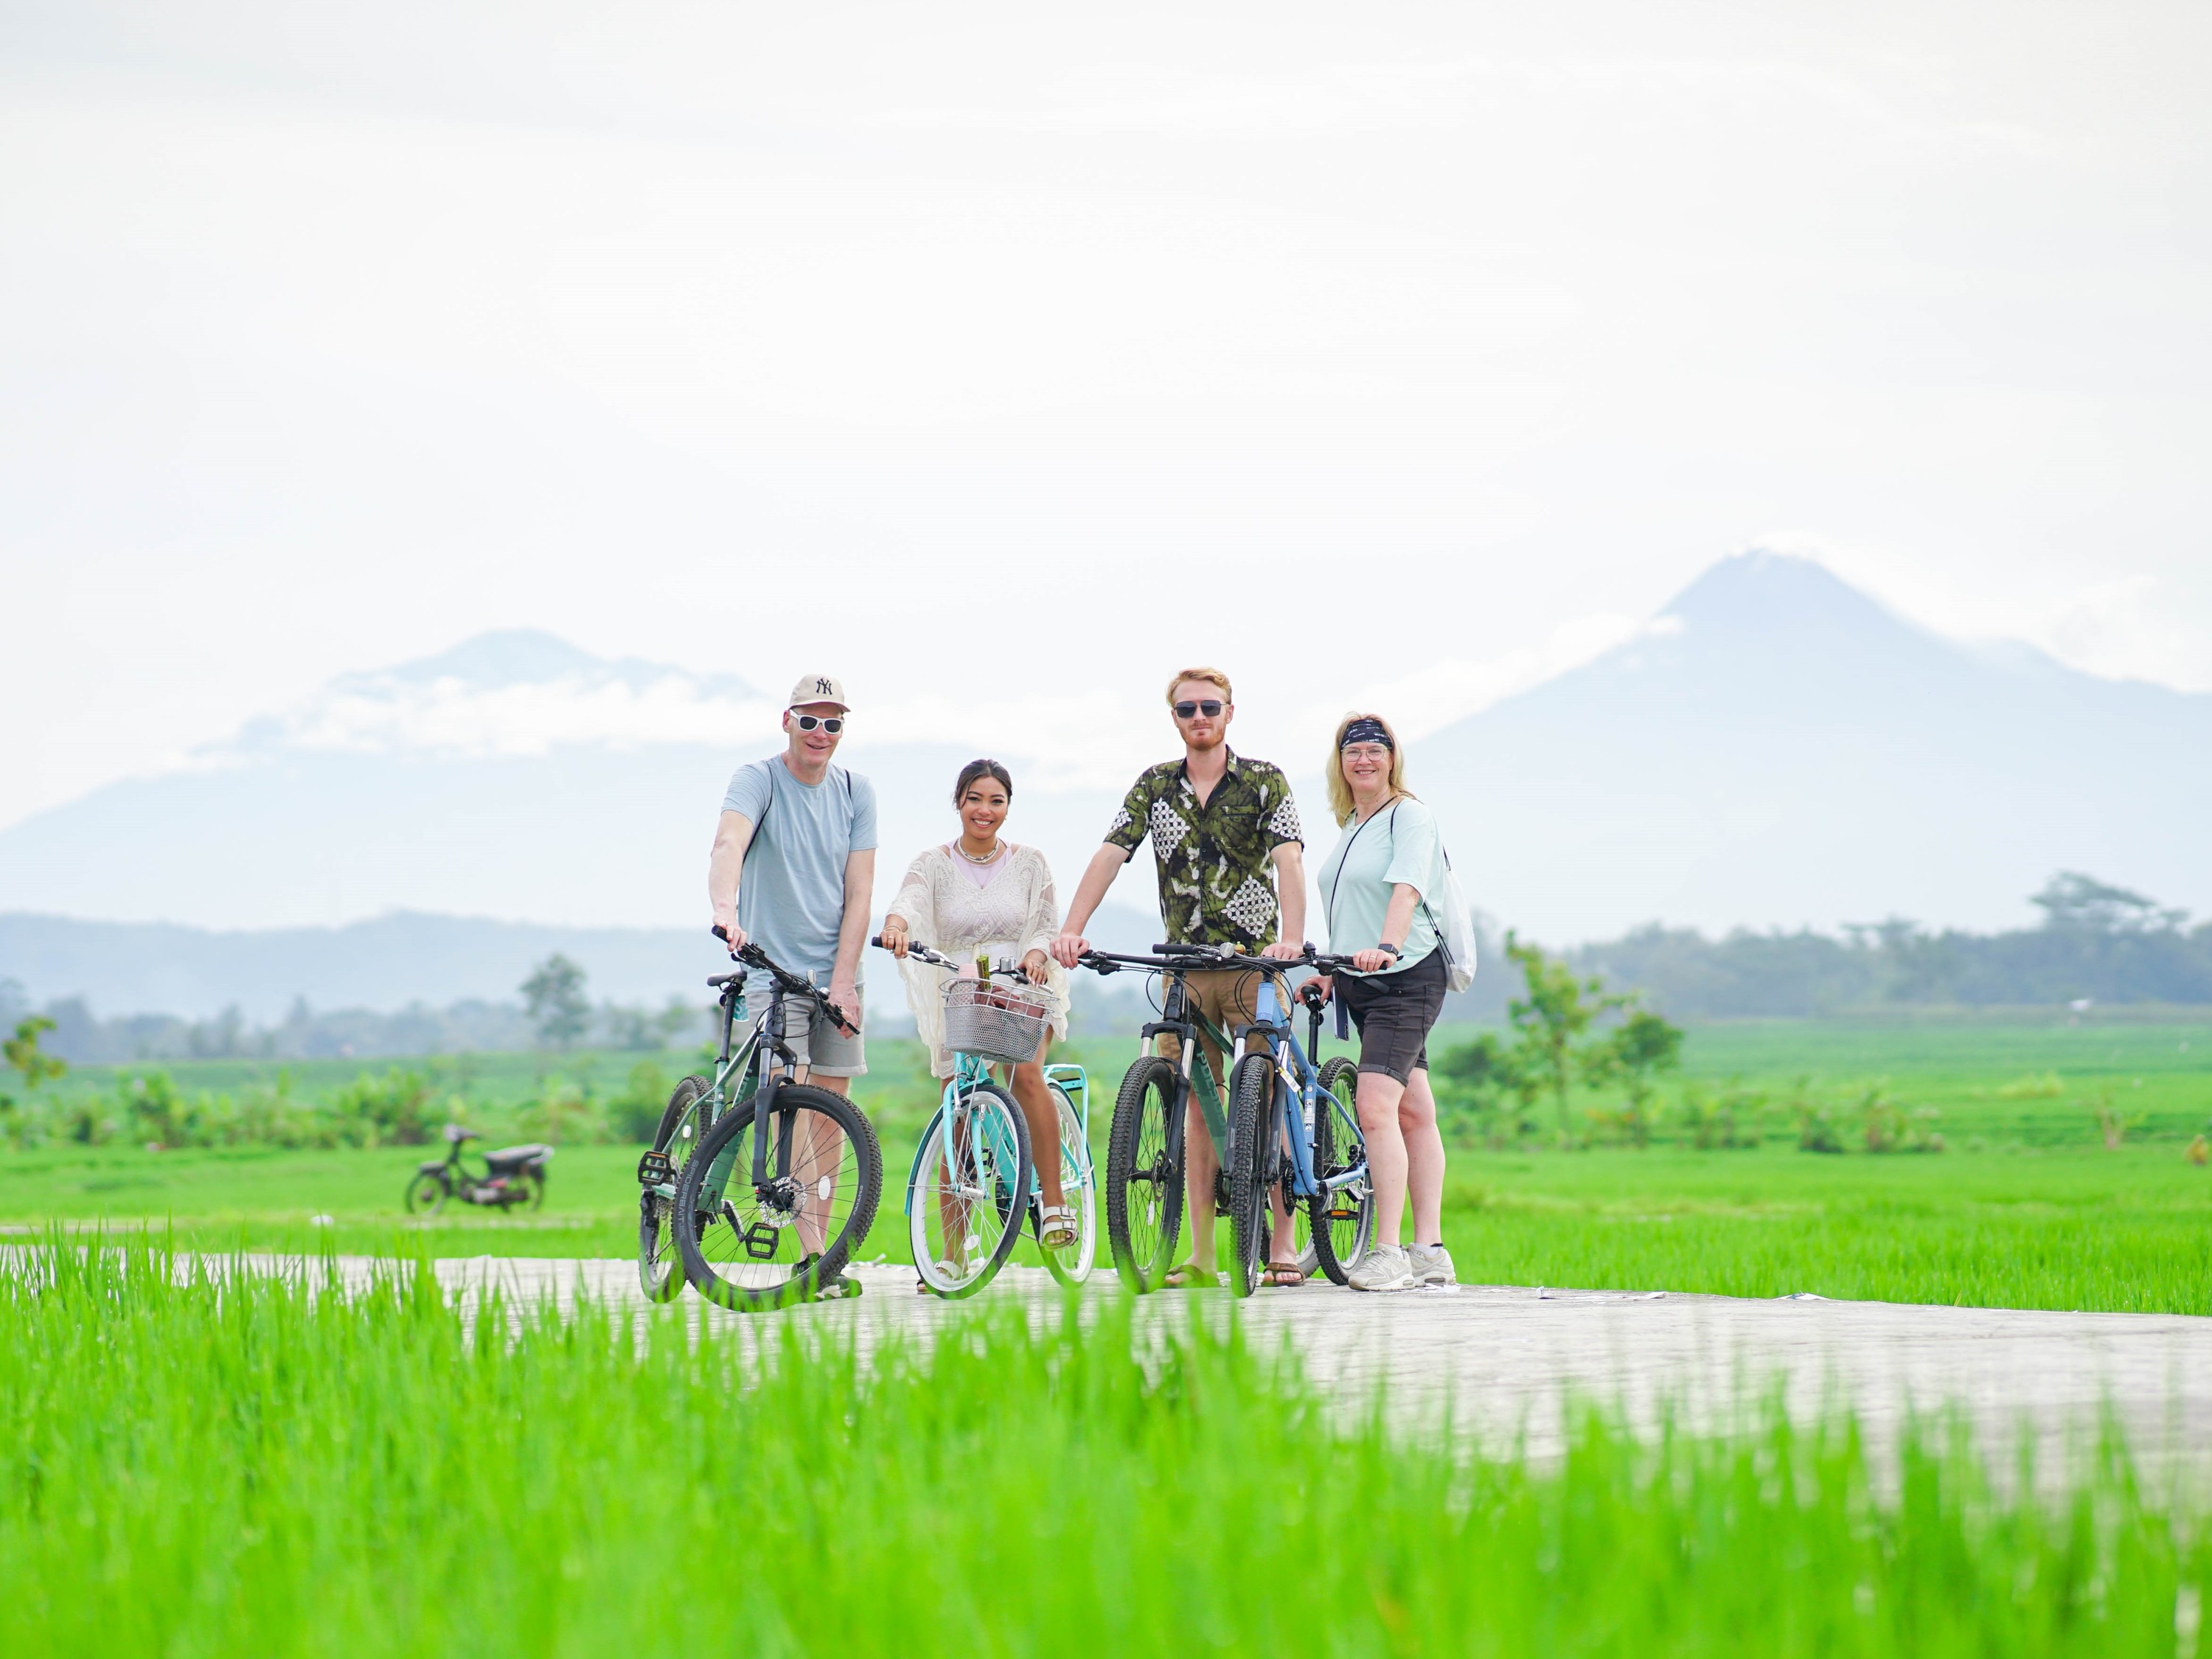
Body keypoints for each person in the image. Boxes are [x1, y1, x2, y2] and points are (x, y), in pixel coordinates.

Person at [1051, 667, 1309, 1287]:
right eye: (1188, 708)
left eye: (1210, 707)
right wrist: (1072, 928)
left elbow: (1289, 860)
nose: (1199, 717)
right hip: (1184, 967)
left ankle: (1282, 1243)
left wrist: (1292, 940)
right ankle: (1201, 1255)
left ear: (1229, 713)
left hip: (1253, 962)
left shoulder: (1264, 780)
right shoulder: (1155, 786)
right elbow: (1111, 853)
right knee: (1194, 1100)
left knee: (1266, 1090)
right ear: (1174, 717)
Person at [706, 672, 878, 1297]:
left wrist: (844, 982)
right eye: (809, 720)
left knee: (833, 1113)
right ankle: (792, 1230)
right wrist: (726, 910)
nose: (820, 732)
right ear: (787, 721)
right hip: (772, 971)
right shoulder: (758, 780)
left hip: (838, 973)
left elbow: (860, 892)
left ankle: (817, 1259)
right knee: (788, 1095)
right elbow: (729, 843)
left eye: (833, 723)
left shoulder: (856, 792)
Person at [880, 759, 1078, 1283]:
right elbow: (908, 901)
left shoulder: (1031, 862)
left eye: (996, 801)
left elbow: (1045, 923)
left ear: (1008, 807)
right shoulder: (933, 864)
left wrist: (1035, 955)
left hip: (1022, 985)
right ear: (958, 802)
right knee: (958, 1107)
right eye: (974, 799)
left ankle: (1055, 1205)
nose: (984, 810)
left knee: (1025, 1075)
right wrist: (895, 926)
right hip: (963, 992)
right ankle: (954, 1251)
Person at [1307, 713, 1455, 1292]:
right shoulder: (1352, 823)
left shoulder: (1409, 816)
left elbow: (1407, 890)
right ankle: (1430, 1252)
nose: (1364, 759)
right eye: (1353, 751)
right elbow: (1351, 908)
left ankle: (1389, 1251)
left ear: (1393, 758)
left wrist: (1388, 946)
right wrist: (1332, 970)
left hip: (1405, 975)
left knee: (1375, 1106)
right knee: (1413, 1111)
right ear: (1340, 762)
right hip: (1360, 979)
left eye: (1375, 749)